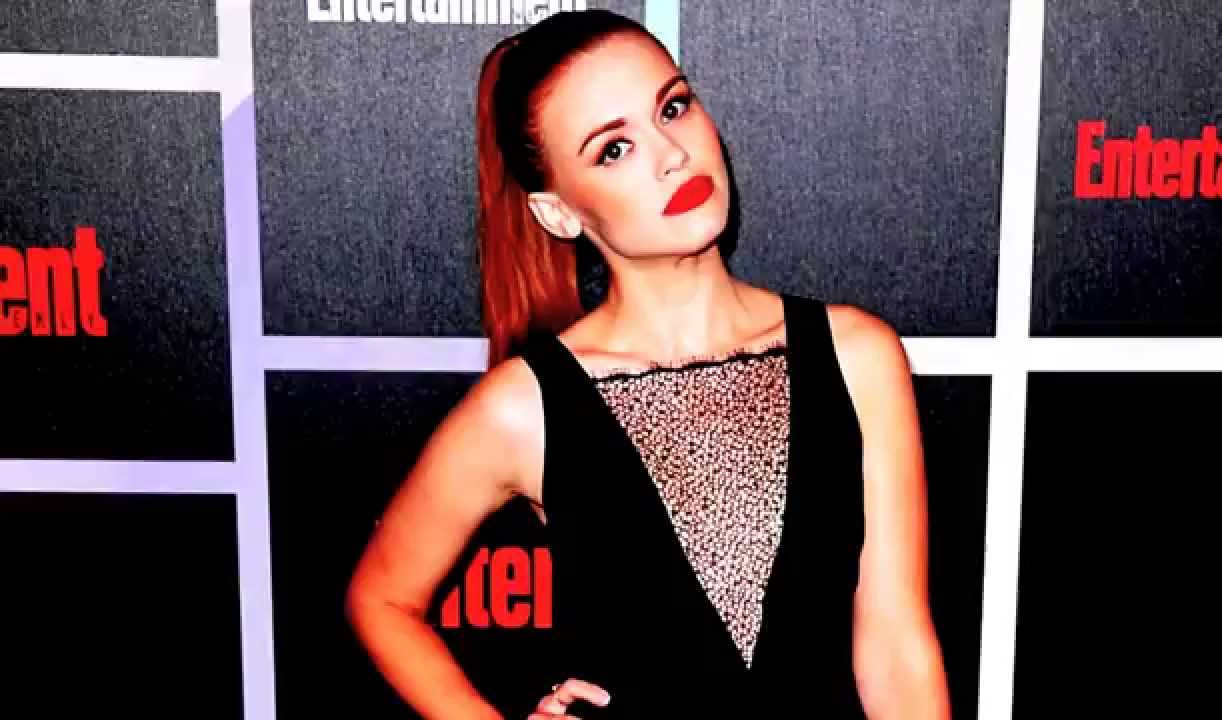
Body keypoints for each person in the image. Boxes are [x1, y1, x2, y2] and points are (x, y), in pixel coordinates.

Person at [345, 8, 950, 719]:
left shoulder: (856, 355)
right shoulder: (524, 408)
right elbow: (381, 599)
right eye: (614, 149)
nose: (671, 154)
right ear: (558, 213)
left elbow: (896, 645)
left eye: (673, 107)